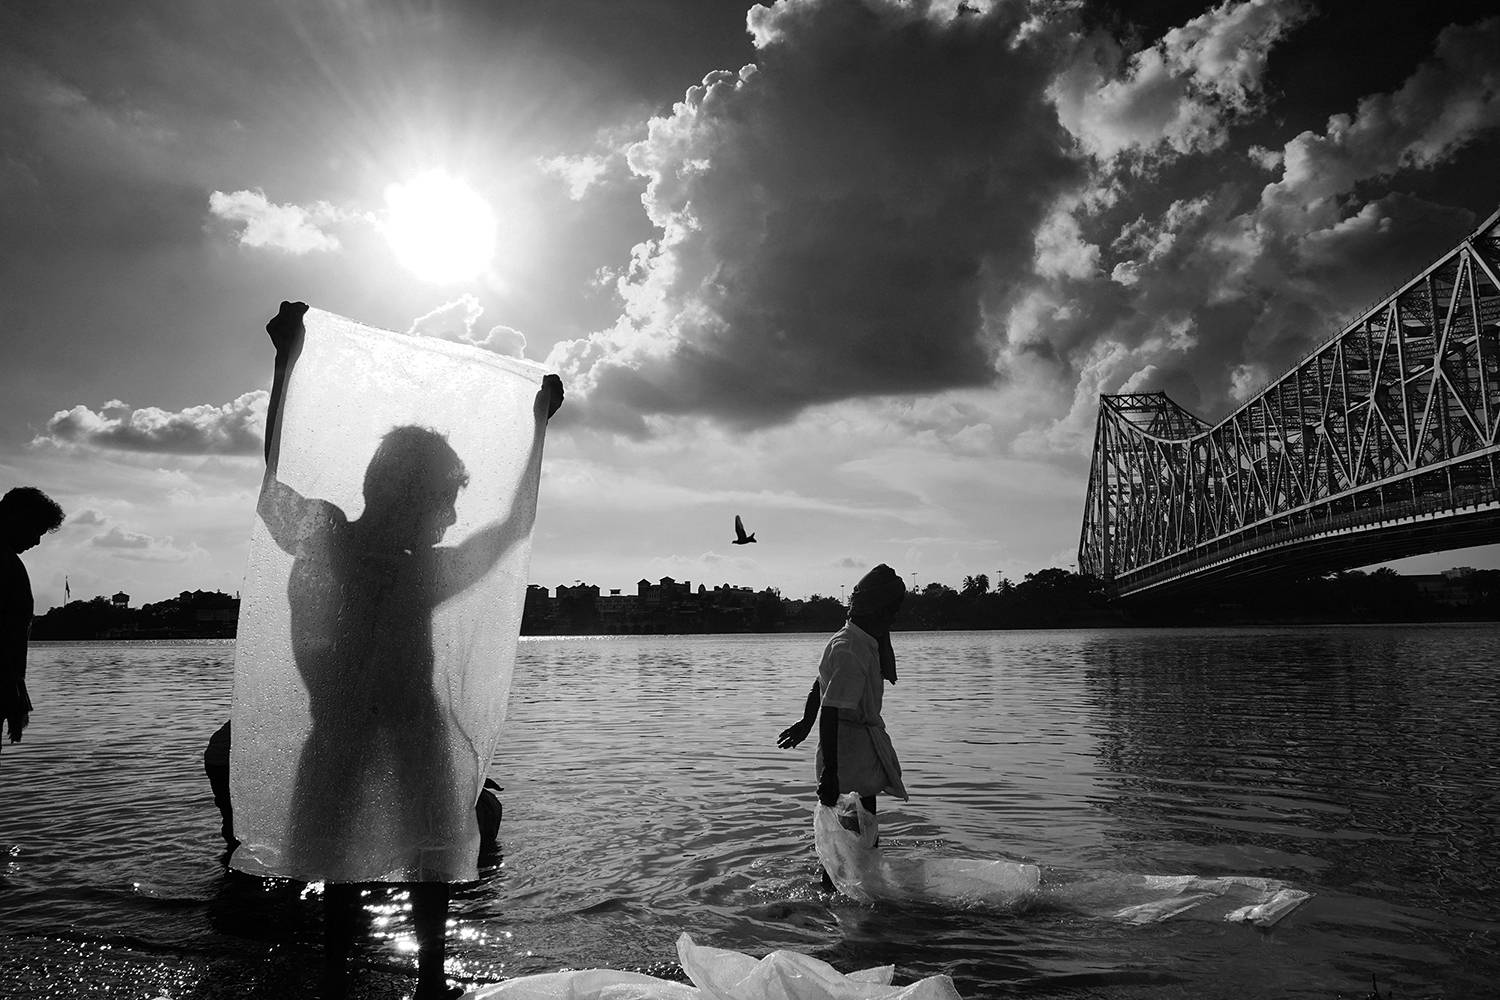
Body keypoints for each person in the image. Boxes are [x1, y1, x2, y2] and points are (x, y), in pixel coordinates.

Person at [258, 301, 562, 1000]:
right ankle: (410, 983)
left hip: (377, 733)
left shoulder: (347, 546)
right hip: (376, 733)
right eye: (445, 500)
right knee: (382, 872)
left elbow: (508, 528)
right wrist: (285, 361)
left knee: (384, 871)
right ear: (410, 495)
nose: (452, 516)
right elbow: (510, 528)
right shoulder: (343, 544)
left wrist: (285, 359)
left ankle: (386, 982)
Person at [776, 563, 908, 891]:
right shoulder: (852, 649)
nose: (893, 619)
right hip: (846, 754)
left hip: (853, 749)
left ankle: (848, 896)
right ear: (877, 610)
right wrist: (830, 774)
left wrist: (806, 722)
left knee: (861, 834)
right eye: (891, 612)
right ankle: (836, 896)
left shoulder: (854, 639)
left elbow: (820, 685)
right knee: (850, 840)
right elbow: (832, 708)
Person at [1, 486, 66, 755]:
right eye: (36, 531)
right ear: (17, 518)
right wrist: (13, 693)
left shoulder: (8, 561)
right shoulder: (5, 564)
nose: (37, 542)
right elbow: (8, 638)